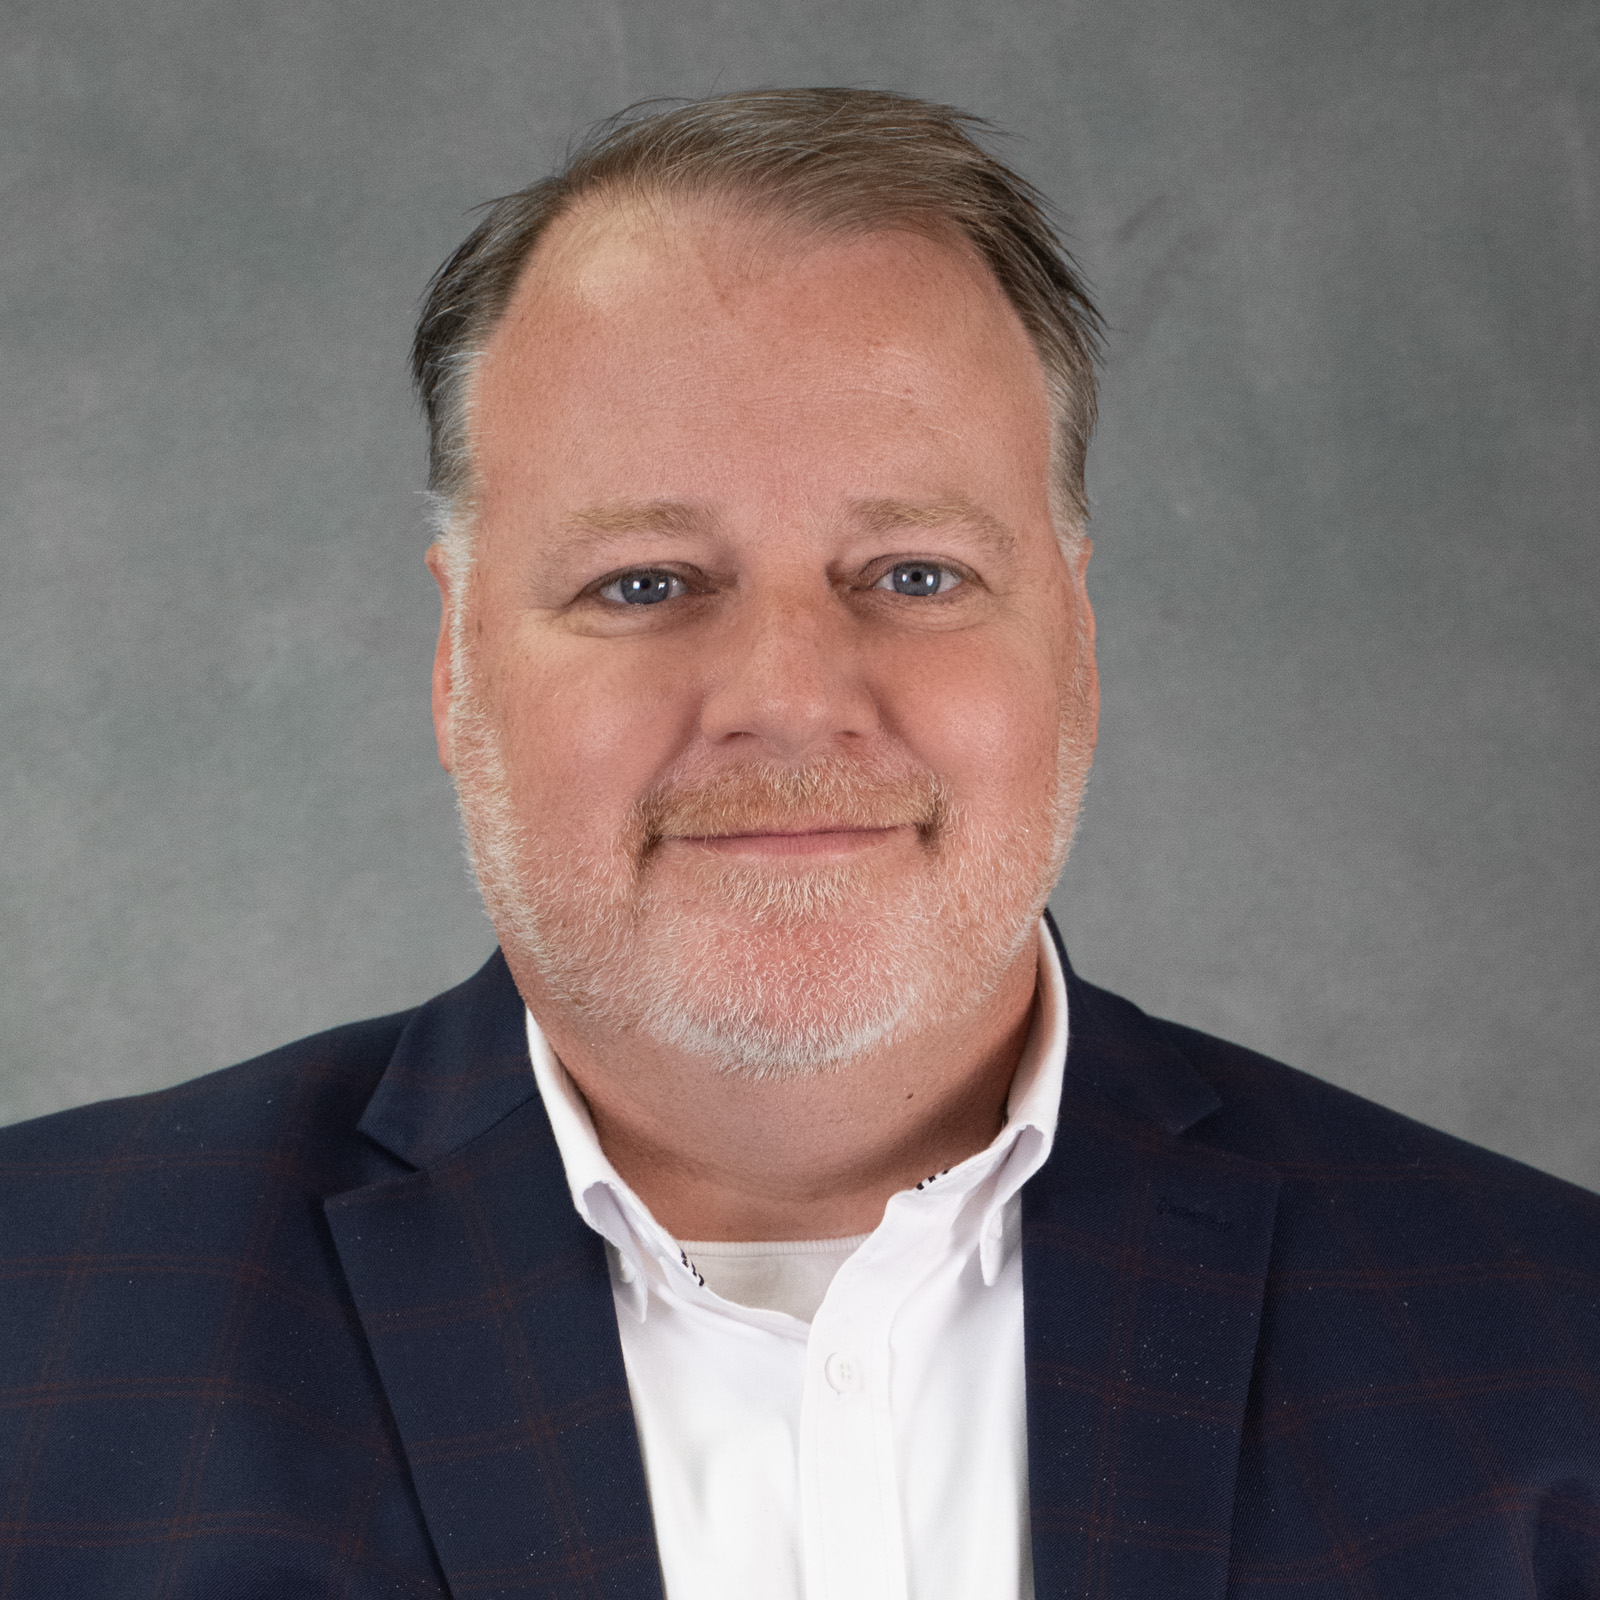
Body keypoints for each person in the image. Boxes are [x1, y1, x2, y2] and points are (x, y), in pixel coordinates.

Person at [1, 87, 1596, 1600]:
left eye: (911, 574)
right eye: (642, 581)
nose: (785, 697)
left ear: (1077, 641)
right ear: (455, 661)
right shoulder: (44, 1320)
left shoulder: (1545, 1347)